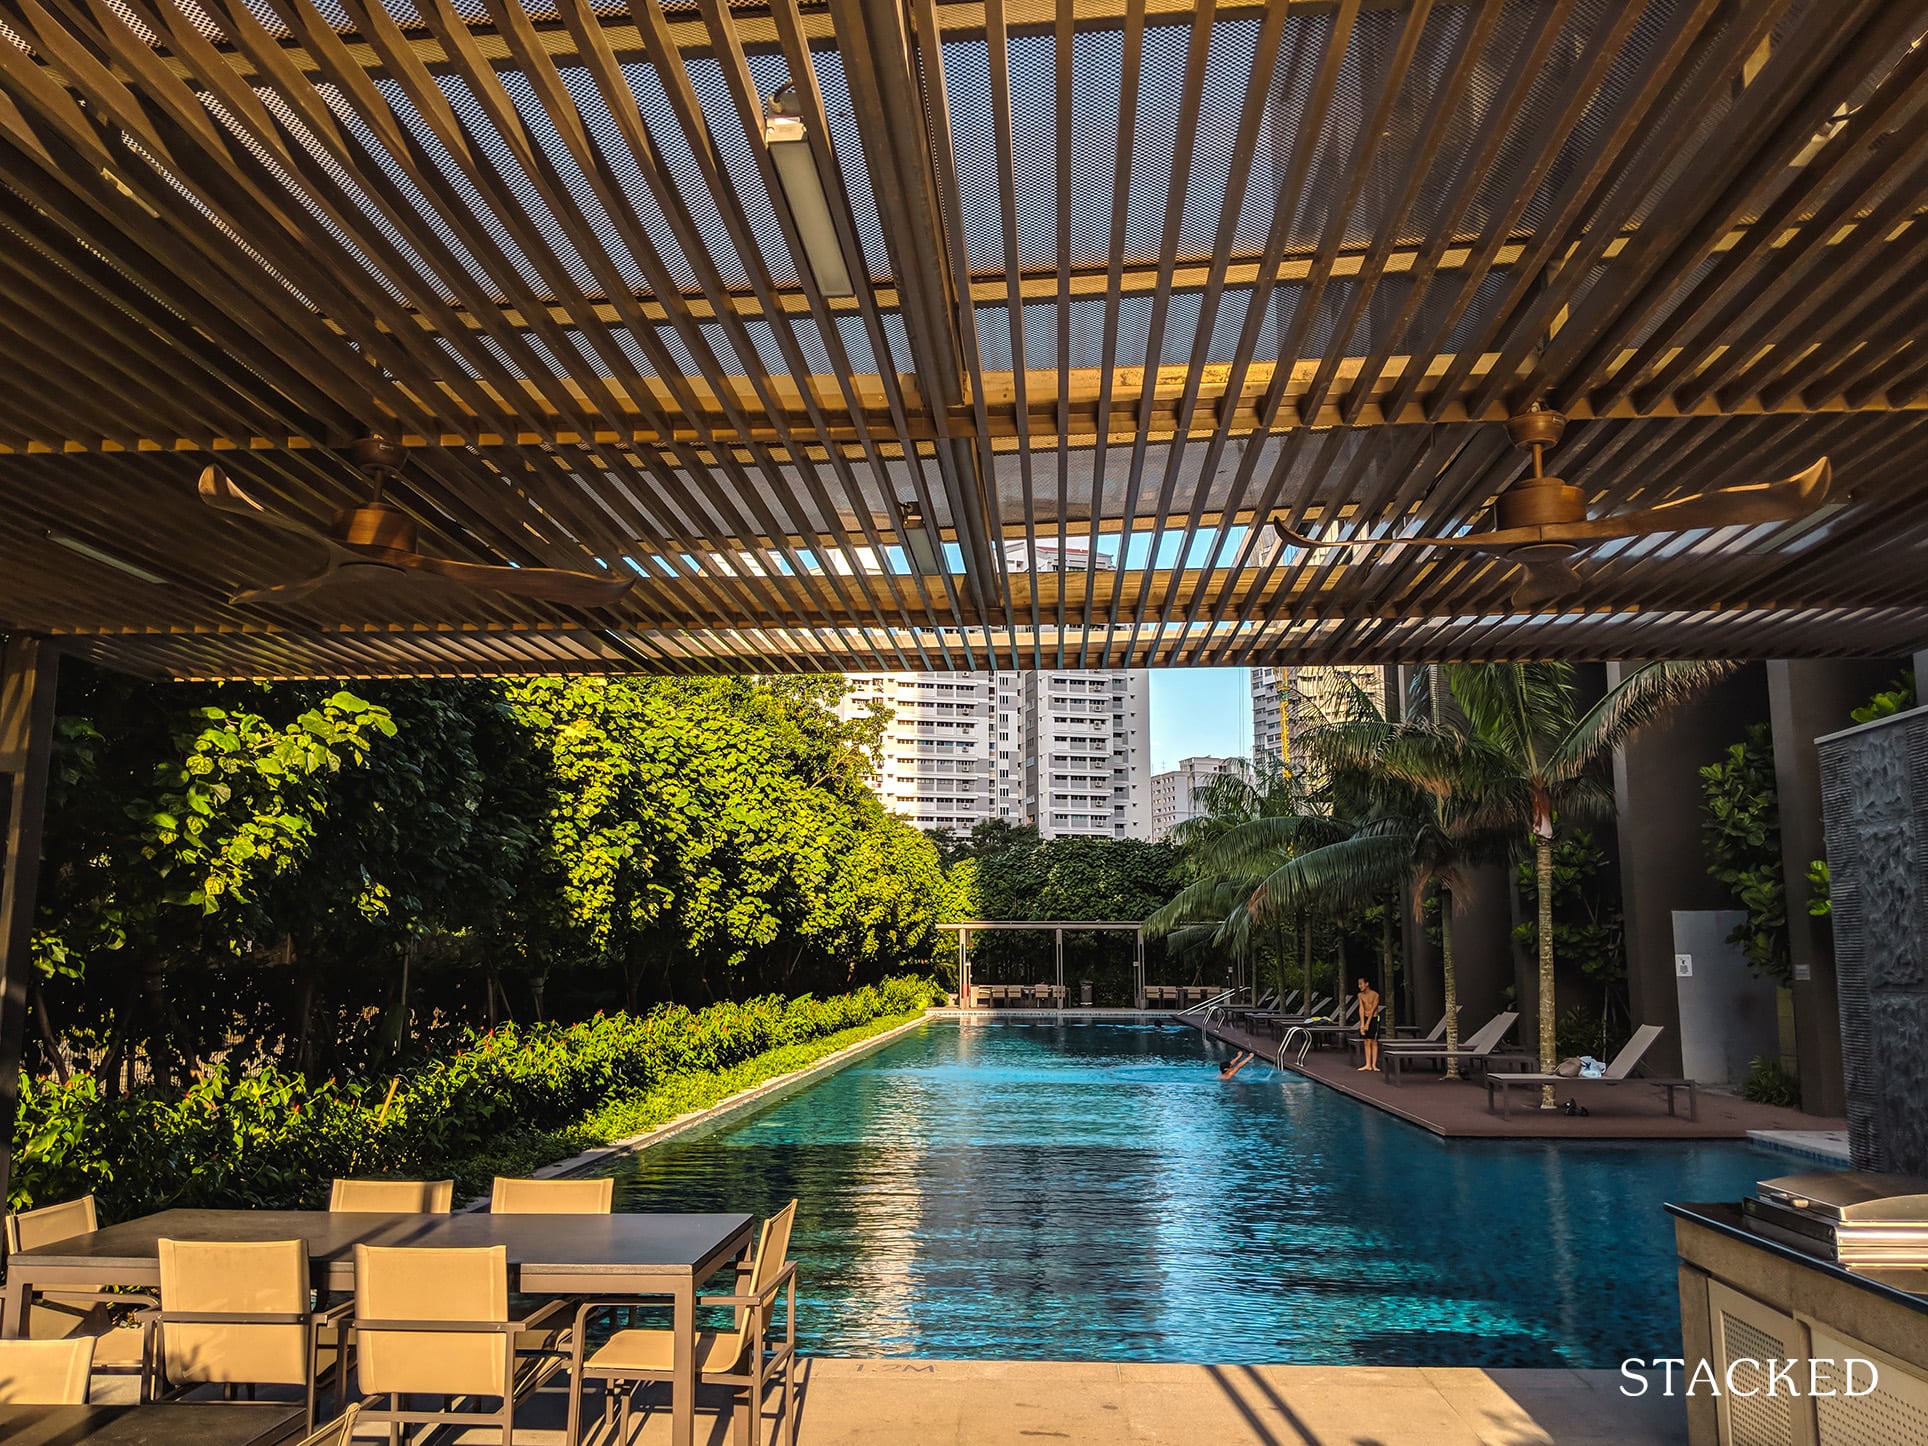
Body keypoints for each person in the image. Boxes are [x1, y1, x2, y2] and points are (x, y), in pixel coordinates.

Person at [1355, 977, 1382, 1072]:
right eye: (1359, 984)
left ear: (1367, 984)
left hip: (1374, 1018)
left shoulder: (1375, 995)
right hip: (1365, 1018)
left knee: (1373, 1041)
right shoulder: (1360, 995)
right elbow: (1361, 1008)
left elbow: (1373, 1009)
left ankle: (1374, 1064)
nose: (1360, 986)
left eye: (1361, 984)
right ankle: (1368, 1064)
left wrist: (1367, 1024)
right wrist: (1362, 1024)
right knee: (1366, 1041)